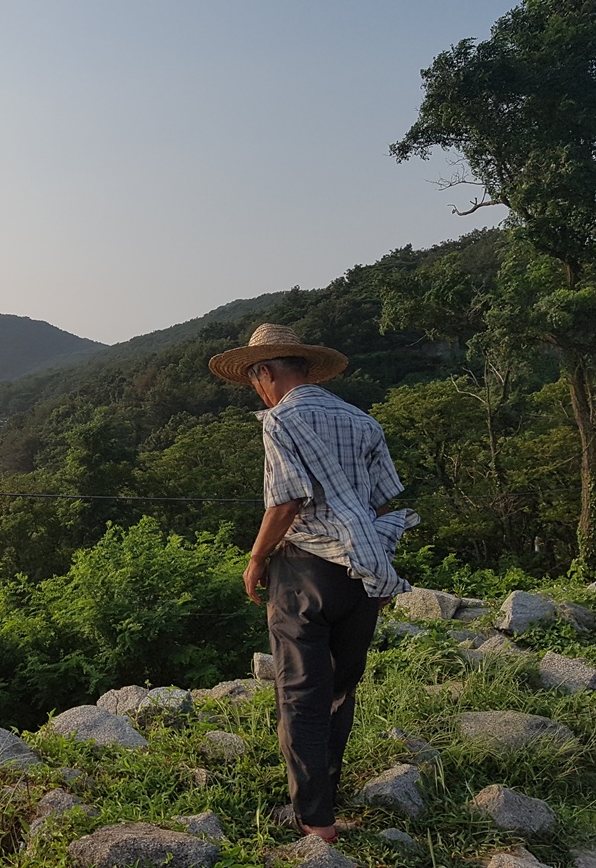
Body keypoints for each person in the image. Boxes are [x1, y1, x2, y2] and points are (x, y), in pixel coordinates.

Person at [209, 324, 417, 844]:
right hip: (363, 571)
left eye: (256, 377)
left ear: (266, 372)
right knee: (338, 688)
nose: (258, 387)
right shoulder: (362, 420)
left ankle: (315, 822)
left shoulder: (280, 420)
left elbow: (286, 501)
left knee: (302, 693)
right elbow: (382, 501)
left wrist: (256, 559)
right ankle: (324, 801)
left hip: (306, 569)